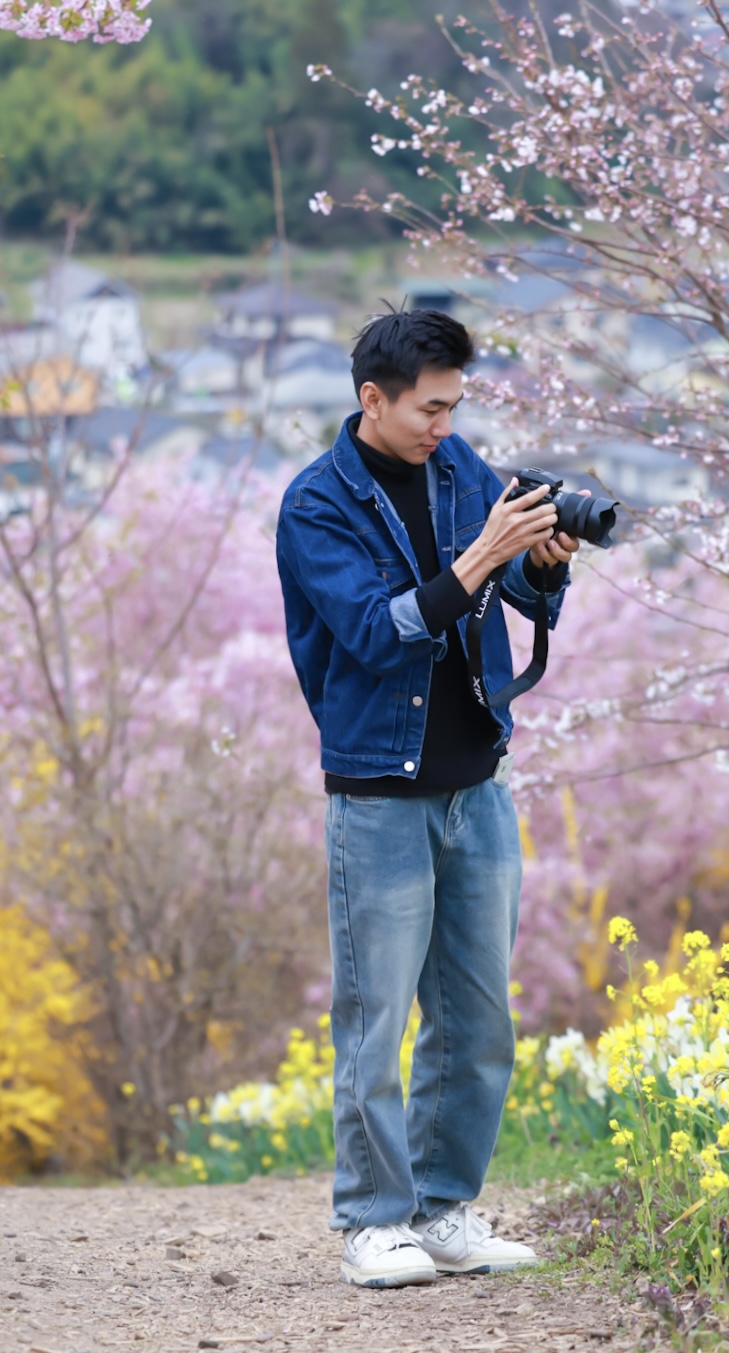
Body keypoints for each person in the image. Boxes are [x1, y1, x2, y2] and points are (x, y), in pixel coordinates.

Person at [275, 308, 583, 1288]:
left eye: (456, 406)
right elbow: (377, 631)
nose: (446, 427)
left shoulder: (461, 472)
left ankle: (446, 1211)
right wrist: (485, 557)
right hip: (380, 793)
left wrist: (540, 571)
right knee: (376, 1015)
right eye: (430, 409)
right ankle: (374, 1222)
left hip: (476, 783)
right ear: (375, 400)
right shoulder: (316, 505)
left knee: (478, 1018)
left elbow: (507, 605)